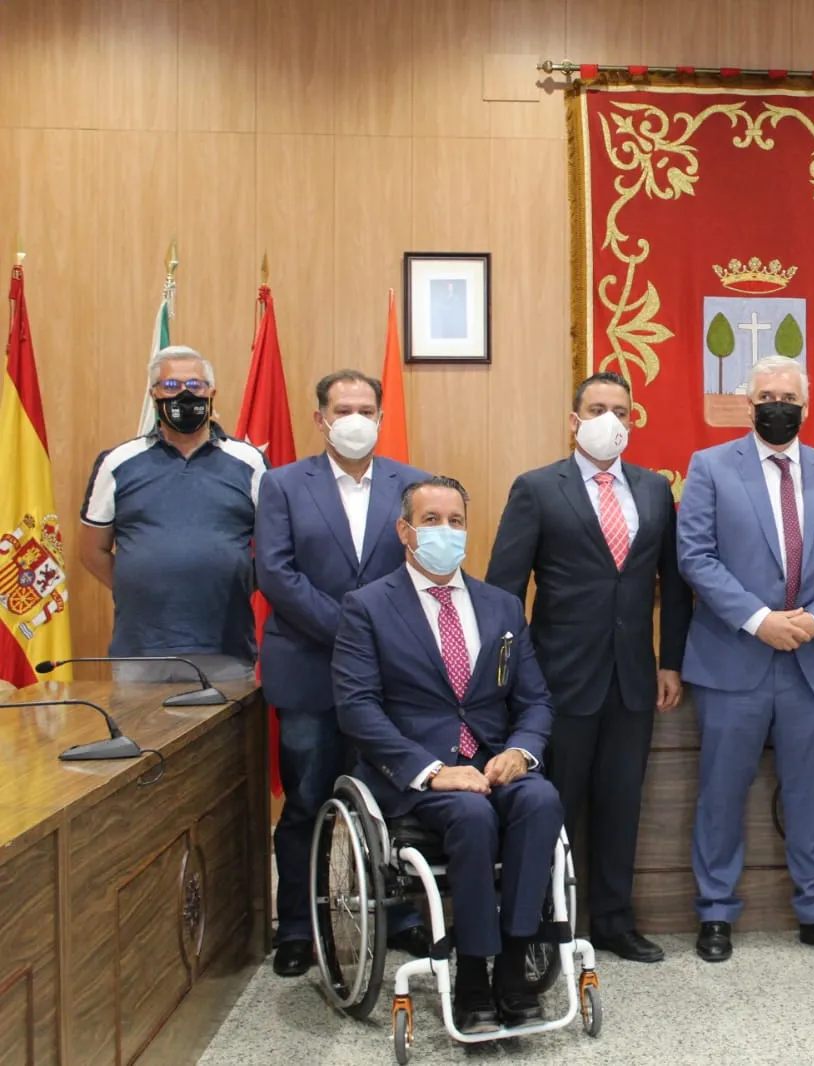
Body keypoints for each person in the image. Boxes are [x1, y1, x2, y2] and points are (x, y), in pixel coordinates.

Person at [332, 476, 563, 1033]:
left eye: (455, 521)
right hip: (420, 775)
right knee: (471, 814)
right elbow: (357, 708)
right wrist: (432, 772)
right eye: (431, 521)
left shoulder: (502, 606)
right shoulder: (367, 606)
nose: (446, 532)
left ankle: (514, 964)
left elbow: (534, 700)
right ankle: (475, 976)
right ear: (405, 531)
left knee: (541, 799)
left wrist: (521, 752)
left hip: (492, 762)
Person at [485, 371, 691, 964]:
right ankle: (547, 923)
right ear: (573, 420)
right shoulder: (537, 487)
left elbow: (672, 587)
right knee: (555, 803)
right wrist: (512, 679)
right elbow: (504, 590)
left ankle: (615, 921)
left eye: (620, 410)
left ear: (633, 420)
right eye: (597, 408)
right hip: (557, 678)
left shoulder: (654, 490)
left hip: (634, 678)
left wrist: (670, 661)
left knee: (622, 801)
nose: (609, 419)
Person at [676, 355, 814, 962]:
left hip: (810, 661)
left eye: (788, 395)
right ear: (748, 402)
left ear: (806, 407)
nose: (776, 404)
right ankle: (714, 915)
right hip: (733, 658)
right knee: (720, 793)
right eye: (766, 395)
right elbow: (696, 556)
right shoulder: (709, 467)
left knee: (812, 794)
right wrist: (762, 620)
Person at [255, 369, 430, 977]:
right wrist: (355, 631)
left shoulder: (413, 485)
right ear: (320, 418)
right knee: (307, 799)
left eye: (365, 408)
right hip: (308, 670)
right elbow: (276, 575)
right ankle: (301, 926)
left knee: (395, 798)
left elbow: (421, 571)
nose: (355, 418)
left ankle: (402, 915)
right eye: (342, 408)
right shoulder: (281, 485)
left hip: (392, 679)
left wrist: (374, 642)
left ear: (381, 418)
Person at [80, 346, 266, 683]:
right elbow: (92, 551)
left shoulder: (249, 462)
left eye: (195, 385)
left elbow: (273, 548)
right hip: (140, 649)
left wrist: (233, 582)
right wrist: (135, 587)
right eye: (171, 386)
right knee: (140, 736)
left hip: (224, 647)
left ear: (212, 393)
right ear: (153, 394)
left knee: (224, 737)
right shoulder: (118, 461)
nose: (184, 394)